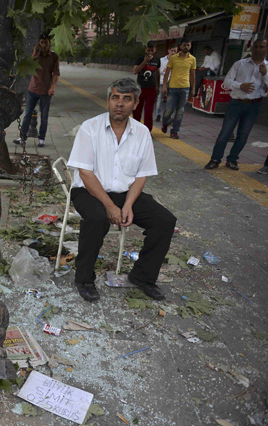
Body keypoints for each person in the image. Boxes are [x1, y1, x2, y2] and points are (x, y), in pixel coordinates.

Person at [67, 78, 176, 303]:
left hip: (125, 193)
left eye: (127, 99)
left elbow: (141, 175)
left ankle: (143, 276)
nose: (120, 103)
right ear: (108, 101)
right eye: (115, 97)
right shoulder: (90, 128)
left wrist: (126, 205)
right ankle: (84, 278)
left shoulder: (142, 133)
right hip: (88, 190)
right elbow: (86, 174)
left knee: (164, 221)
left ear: (135, 104)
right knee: (97, 219)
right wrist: (110, 206)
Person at [205, 39, 268, 171]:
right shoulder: (240, 64)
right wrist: (240, 86)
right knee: (225, 133)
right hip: (236, 103)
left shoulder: (267, 68)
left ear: (266, 49)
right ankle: (215, 159)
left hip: (254, 105)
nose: (258, 49)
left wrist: (265, 74)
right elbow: (227, 82)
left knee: (243, 135)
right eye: (255, 46)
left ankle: (232, 159)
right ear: (251, 48)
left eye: (261, 47)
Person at [13, 32, 60, 147]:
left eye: (46, 42)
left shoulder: (54, 57)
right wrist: (34, 52)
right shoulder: (36, 55)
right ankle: (23, 138)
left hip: (45, 92)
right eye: (42, 43)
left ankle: (41, 139)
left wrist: (53, 87)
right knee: (27, 114)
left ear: (49, 43)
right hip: (32, 90)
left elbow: (56, 74)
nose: (44, 45)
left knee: (44, 116)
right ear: (39, 43)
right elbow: (28, 67)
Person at [161, 38, 196, 139]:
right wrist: (164, 86)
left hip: (185, 88)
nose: (186, 47)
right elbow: (167, 72)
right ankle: (165, 122)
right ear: (180, 46)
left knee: (180, 111)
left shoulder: (192, 59)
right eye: (184, 45)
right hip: (172, 88)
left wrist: (193, 89)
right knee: (168, 110)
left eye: (188, 45)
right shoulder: (173, 58)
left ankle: (174, 131)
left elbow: (193, 75)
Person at [132, 41, 160, 131]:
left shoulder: (157, 60)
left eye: (152, 50)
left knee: (149, 111)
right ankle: (136, 129)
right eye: (148, 50)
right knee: (137, 110)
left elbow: (157, 73)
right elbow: (135, 71)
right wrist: (145, 62)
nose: (150, 52)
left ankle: (148, 130)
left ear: (155, 50)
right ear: (145, 50)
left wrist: (158, 86)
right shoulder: (140, 59)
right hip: (140, 88)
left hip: (151, 89)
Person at [155, 46, 177, 122]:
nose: (173, 52)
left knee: (170, 100)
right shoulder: (162, 60)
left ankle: (167, 116)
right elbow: (158, 72)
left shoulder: (177, 61)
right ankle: (158, 114)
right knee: (160, 99)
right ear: (168, 50)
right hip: (162, 82)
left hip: (172, 83)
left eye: (175, 51)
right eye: (172, 50)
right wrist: (164, 71)